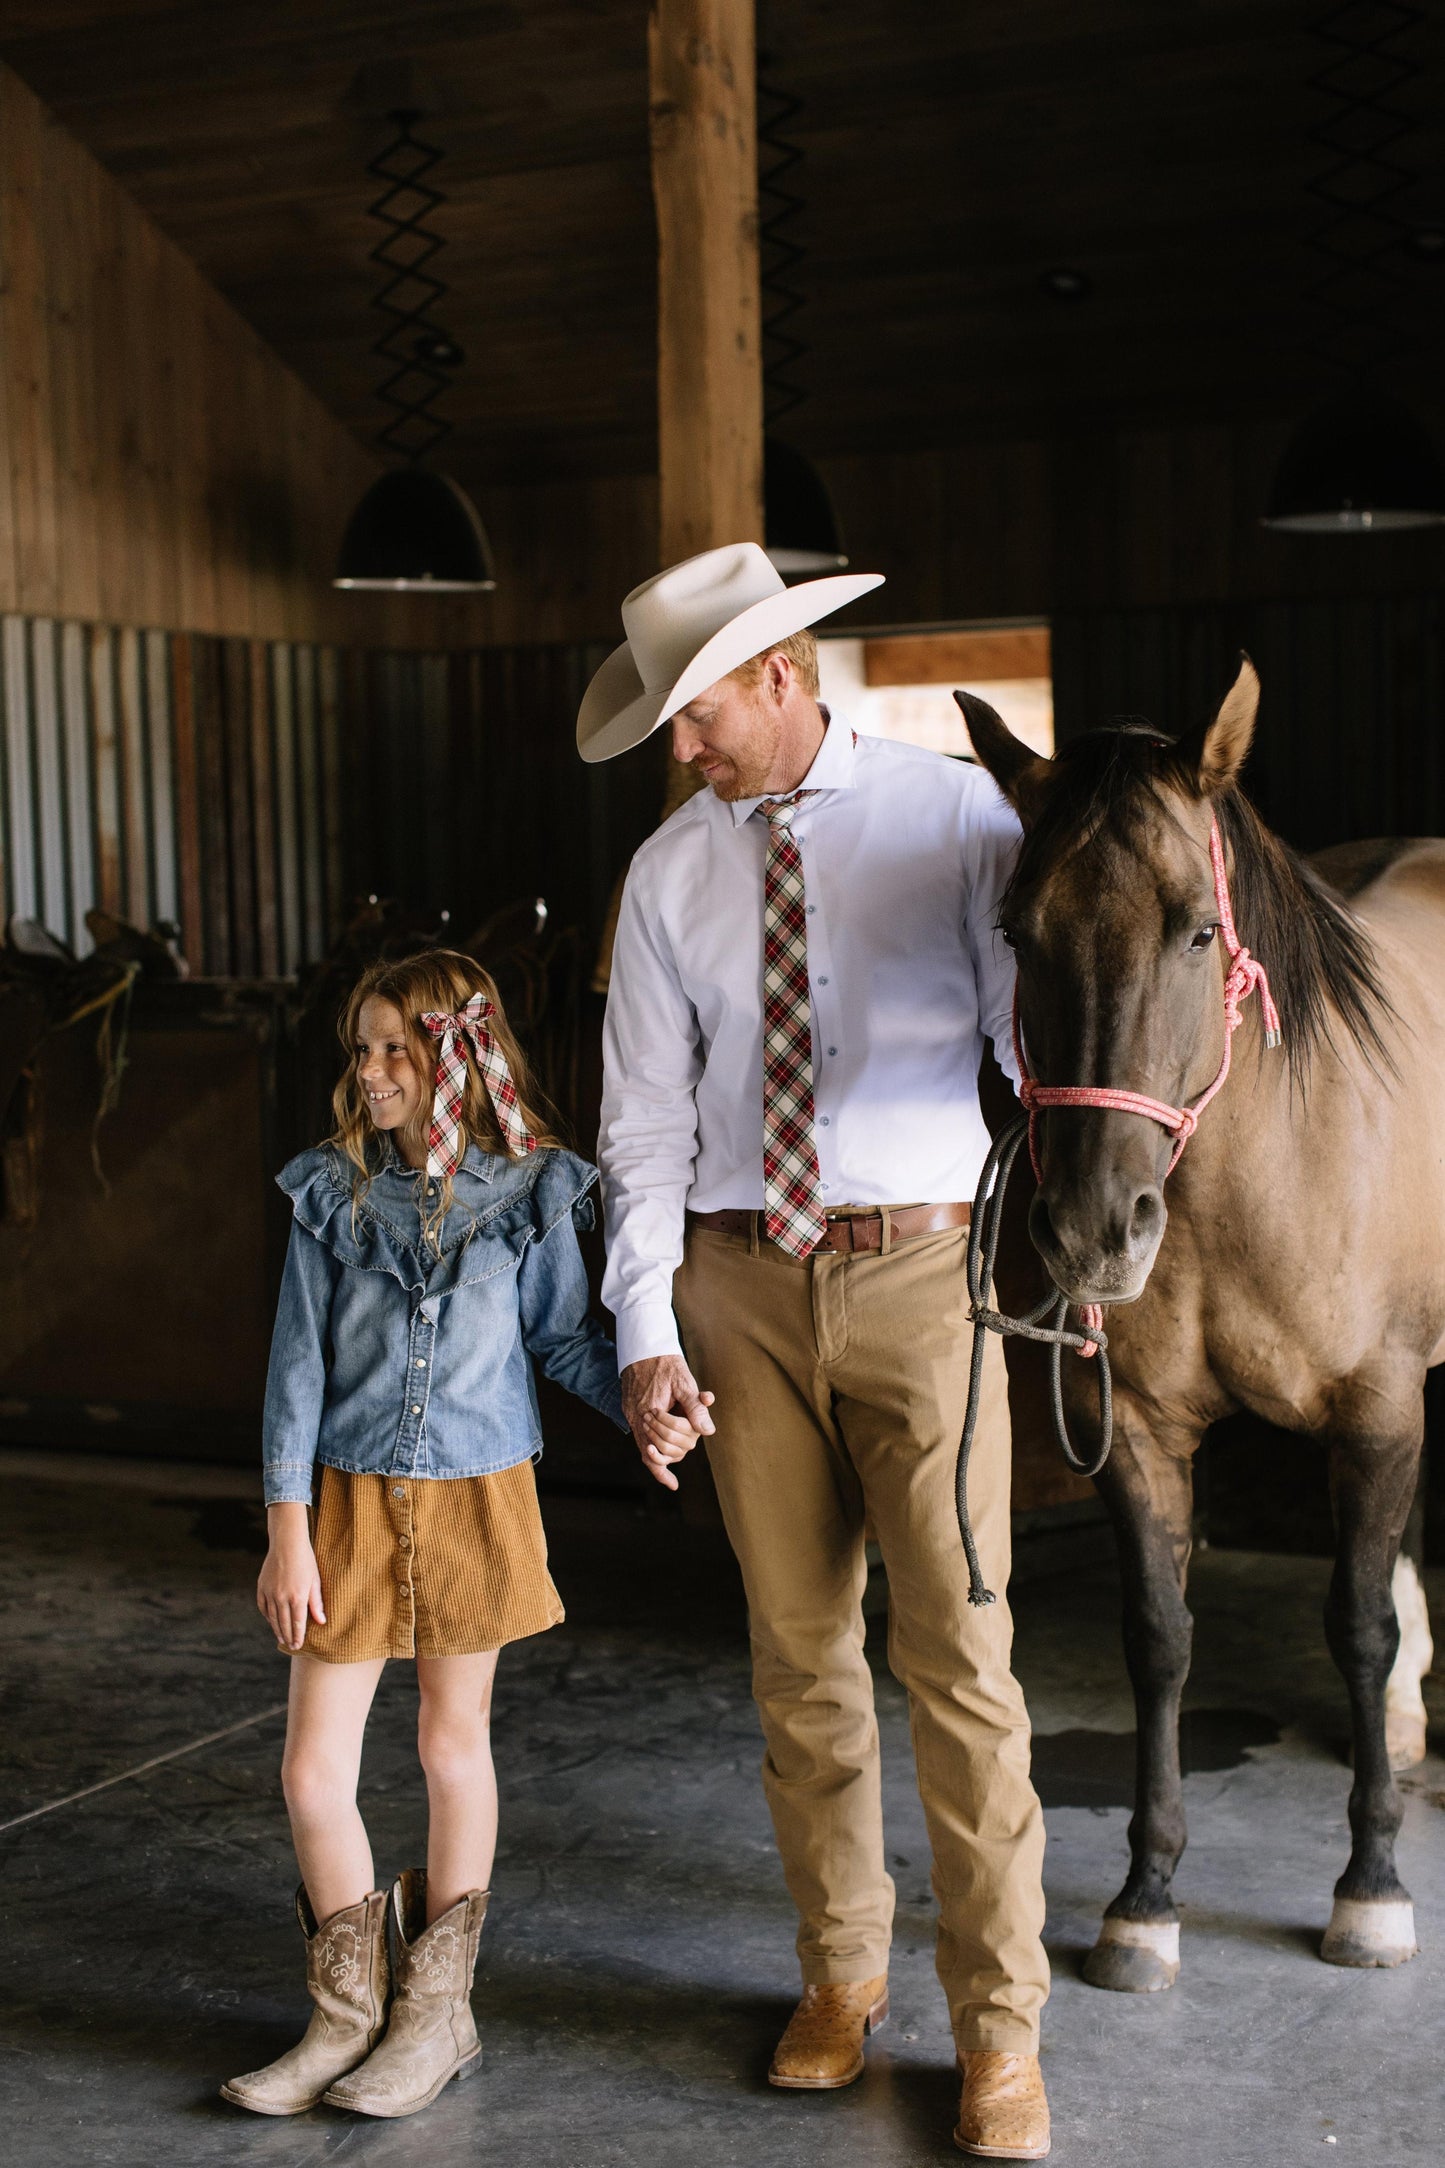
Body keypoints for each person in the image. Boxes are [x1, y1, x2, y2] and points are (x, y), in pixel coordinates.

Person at [583, 543, 1052, 2161]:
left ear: (784, 675)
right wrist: (647, 1329)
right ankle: (840, 1972)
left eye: (698, 715)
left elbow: (1034, 1045)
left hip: (923, 1272)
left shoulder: (964, 823)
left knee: (964, 1669)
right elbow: (640, 1120)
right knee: (800, 1662)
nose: (684, 750)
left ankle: (999, 2032)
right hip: (738, 1288)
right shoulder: (668, 877)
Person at [222, 949, 636, 2121]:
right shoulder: (331, 1190)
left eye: (396, 1045)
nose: (372, 1068)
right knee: (312, 1771)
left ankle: (436, 2014)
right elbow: (294, 1373)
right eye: (362, 1047)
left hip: (477, 1494)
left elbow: (561, 1342)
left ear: (457, 1049)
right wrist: (284, 1529)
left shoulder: (530, 1190)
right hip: (343, 1505)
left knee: (452, 1751)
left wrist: (650, 1405)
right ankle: (344, 2015)